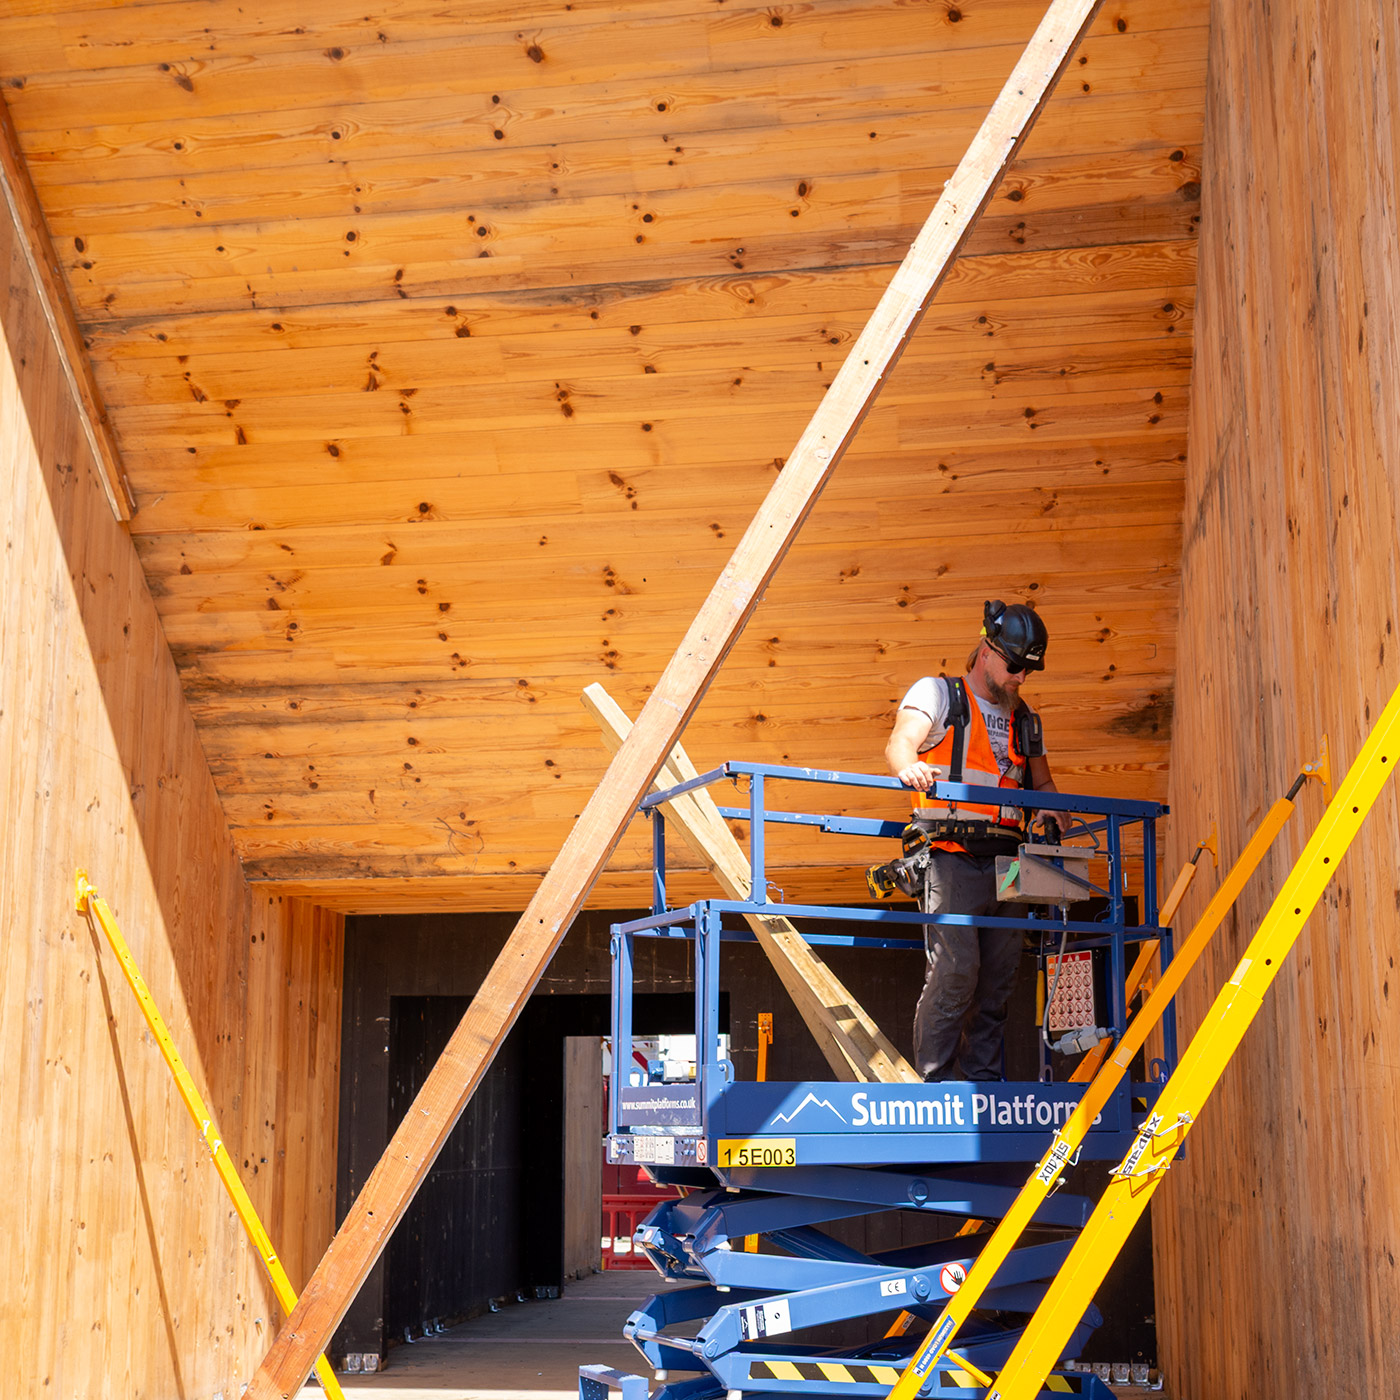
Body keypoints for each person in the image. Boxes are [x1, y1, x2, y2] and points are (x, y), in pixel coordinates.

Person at [885, 600, 1057, 1081]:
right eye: (1016, 666)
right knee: (955, 972)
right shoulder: (938, 694)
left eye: (1029, 670)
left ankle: (983, 1083)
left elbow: (1042, 784)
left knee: (999, 981)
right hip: (950, 855)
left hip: (1010, 862)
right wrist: (908, 767)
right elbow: (900, 742)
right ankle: (934, 1082)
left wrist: (1049, 804)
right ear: (987, 650)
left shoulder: (1025, 718)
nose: (1022, 678)